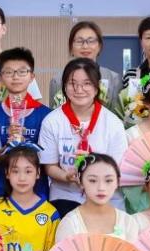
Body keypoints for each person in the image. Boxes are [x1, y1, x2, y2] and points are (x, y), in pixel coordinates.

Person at [39, 58, 129, 214]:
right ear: (64, 87)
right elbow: (50, 166)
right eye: (72, 83)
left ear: (97, 87)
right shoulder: (52, 121)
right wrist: (66, 176)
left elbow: (117, 168)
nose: (79, 90)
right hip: (66, 195)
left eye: (87, 83)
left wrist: (94, 179)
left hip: (106, 195)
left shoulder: (113, 123)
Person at [0, 48, 52, 202]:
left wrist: (25, 147)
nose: (15, 77)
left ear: (32, 76)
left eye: (22, 71)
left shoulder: (47, 115)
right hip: (0, 190)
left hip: (37, 191)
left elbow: (50, 159)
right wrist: (7, 147)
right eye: (8, 72)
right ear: (0, 78)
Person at [47, 21, 123, 114]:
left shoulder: (114, 79)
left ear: (99, 46)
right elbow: (54, 114)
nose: (85, 46)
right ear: (71, 46)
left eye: (91, 41)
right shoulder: (58, 80)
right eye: (79, 41)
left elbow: (117, 116)